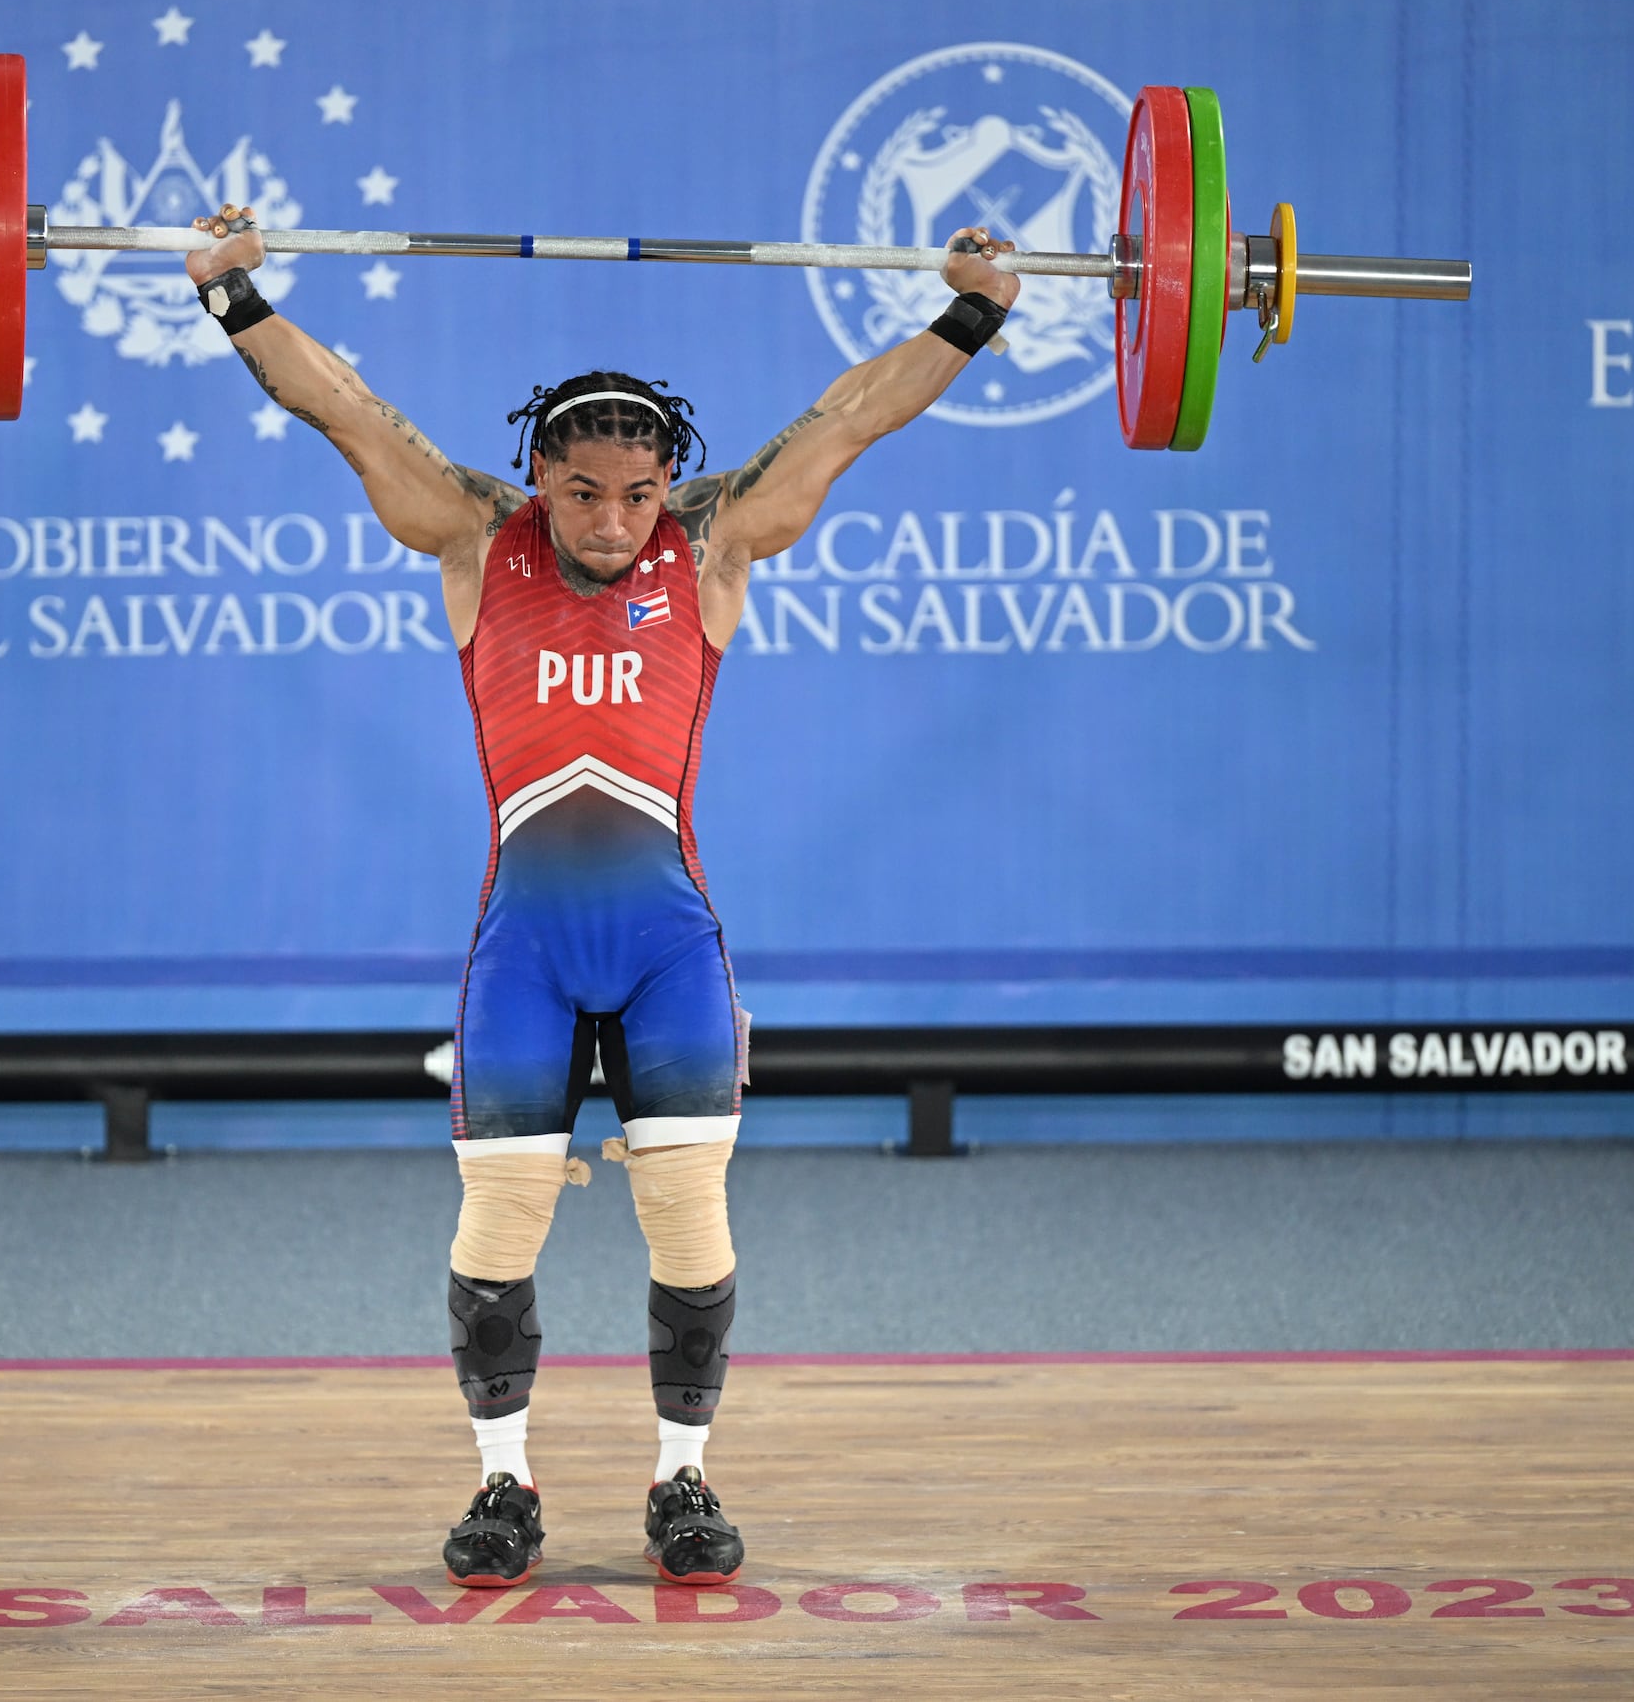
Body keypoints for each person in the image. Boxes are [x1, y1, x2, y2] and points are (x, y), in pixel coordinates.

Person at [185, 207, 1021, 1588]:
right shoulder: (473, 538)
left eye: (639, 495)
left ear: (670, 484)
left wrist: (973, 312)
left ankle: (681, 1481)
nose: (616, 522)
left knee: (692, 1226)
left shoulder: (715, 546)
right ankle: (502, 1491)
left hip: (667, 954)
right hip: (524, 951)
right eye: (585, 493)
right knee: (493, 1232)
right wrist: (231, 293)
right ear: (540, 475)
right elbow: (339, 408)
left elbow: (852, 416)